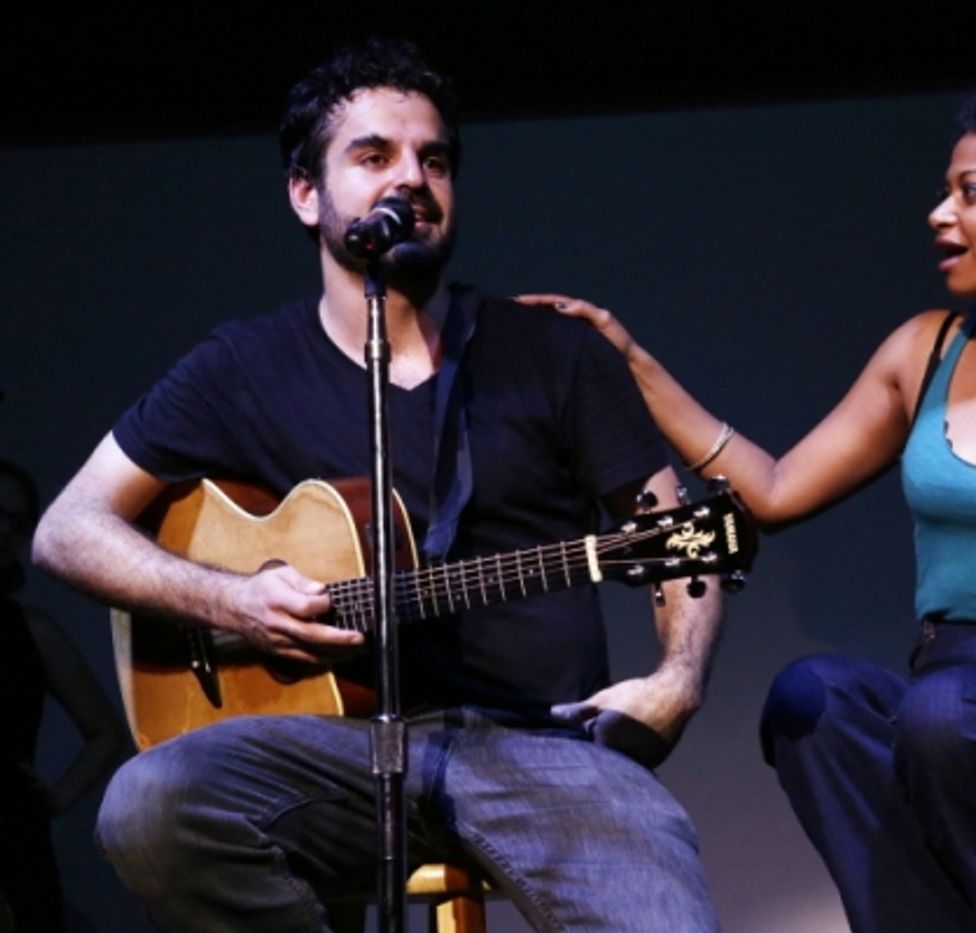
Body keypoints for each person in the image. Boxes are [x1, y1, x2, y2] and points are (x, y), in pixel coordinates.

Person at [521, 53, 976, 932]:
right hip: (956, 697)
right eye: (946, 192)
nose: (940, 214)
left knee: (946, 714)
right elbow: (777, 491)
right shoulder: (924, 351)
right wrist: (633, 363)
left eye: (971, 193)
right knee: (811, 698)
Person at [32, 38, 725, 932]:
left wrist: (678, 681)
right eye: (375, 156)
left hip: (540, 742)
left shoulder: (553, 352)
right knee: (150, 803)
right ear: (305, 193)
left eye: (434, 160)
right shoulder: (240, 367)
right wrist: (233, 600)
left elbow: (673, 534)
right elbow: (68, 528)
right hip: (332, 752)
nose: (413, 179)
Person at [1, 459, 128, 932]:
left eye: (15, 521)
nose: (2, 531)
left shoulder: (31, 631)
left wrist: (51, 801)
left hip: (13, 845)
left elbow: (106, 733)